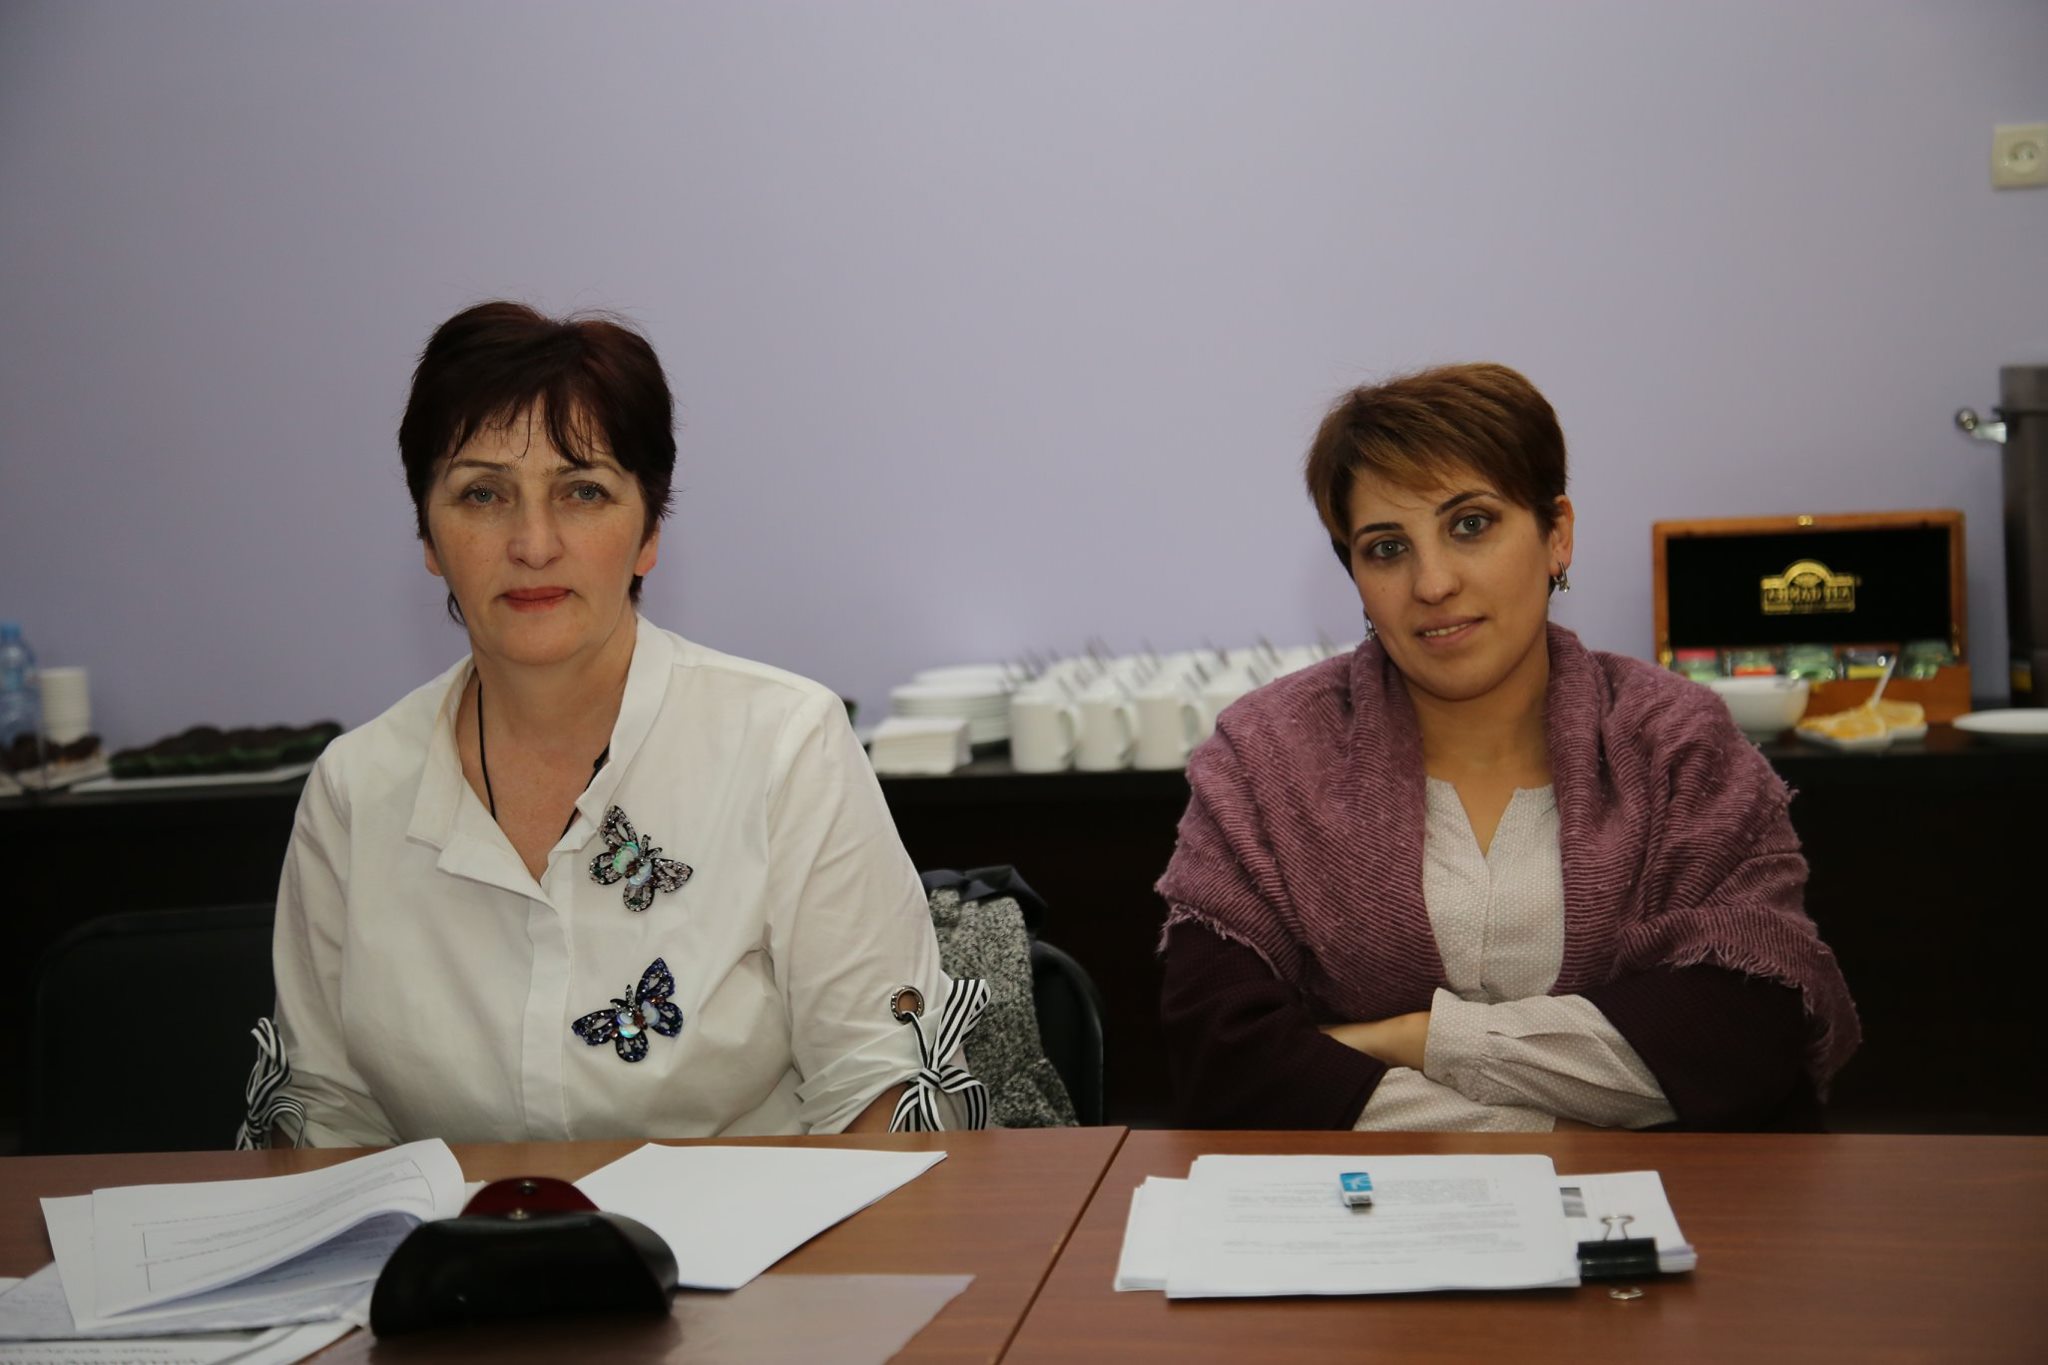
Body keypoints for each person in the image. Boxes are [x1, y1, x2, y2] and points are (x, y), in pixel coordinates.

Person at [245, 302, 981, 1147]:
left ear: (648, 532)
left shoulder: (785, 746)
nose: (533, 542)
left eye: (582, 492)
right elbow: (326, 1121)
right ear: (429, 537)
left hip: (759, 1234)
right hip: (455, 1238)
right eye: (482, 494)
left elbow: (883, 1097)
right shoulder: (355, 789)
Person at [1157, 363, 1859, 1132]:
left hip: (1671, 1203)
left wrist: (1419, 1039)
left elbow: (1744, 1030)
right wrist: (1552, 1137)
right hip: (1370, 1204)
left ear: (1557, 534)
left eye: (1470, 525)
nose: (1432, 583)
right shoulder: (1264, 758)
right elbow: (1223, 1058)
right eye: (1386, 547)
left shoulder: (1680, 743)